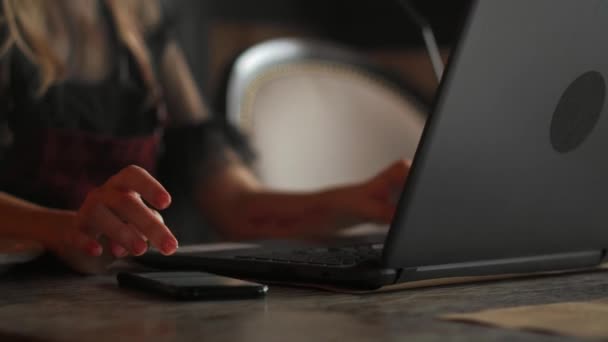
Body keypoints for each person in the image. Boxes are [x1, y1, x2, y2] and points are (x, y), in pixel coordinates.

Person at [0, 0, 410, 273]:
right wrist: (64, 229)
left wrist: (353, 201)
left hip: (121, 306)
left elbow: (234, 204)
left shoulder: (137, 18)